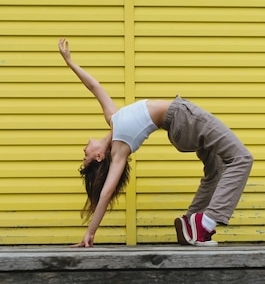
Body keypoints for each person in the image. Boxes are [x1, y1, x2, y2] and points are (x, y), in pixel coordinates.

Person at [59, 38, 253, 248]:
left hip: (179, 127)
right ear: (99, 156)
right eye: (86, 156)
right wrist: (90, 232)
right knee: (242, 158)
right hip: (182, 118)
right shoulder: (119, 148)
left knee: (215, 170)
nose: (83, 150)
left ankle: (191, 222)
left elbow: (94, 86)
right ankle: (206, 223)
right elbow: (106, 193)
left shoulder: (114, 120)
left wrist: (70, 62)